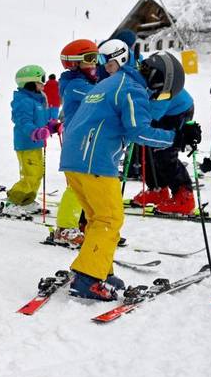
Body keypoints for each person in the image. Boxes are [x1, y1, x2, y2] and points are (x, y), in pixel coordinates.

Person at [58, 42, 176, 301]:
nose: (156, 96)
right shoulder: (131, 88)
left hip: (74, 158)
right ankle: (88, 279)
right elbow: (139, 131)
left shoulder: (109, 83)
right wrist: (174, 138)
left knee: (96, 218)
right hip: (95, 160)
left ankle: (100, 268)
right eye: (162, 93)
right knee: (109, 219)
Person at [50, 40, 99, 244]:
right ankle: (65, 228)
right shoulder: (76, 86)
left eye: (97, 58)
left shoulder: (88, 81)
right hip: (79, 141)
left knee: (91, 185)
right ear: (74, 63)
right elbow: (102, 97)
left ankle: (84, 223)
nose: (94, 63)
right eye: (90, 58)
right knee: (78, 186)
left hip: (90, 140)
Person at [132, 75, 198, 214]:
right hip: (161, 109)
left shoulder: (152, 80)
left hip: (177, 110)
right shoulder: (128, 76)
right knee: (146, 147)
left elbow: (153, 113)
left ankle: (185, 197)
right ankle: (157, 189)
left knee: (164, 153)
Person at [2, 65, 58, 215]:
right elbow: (23, 121)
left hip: (37, 144)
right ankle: (12, 201)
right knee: (30, 175)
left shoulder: (38, 100)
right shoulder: (24, 101)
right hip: (26, 144)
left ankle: (26, 201)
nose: (43, 85)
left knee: (38, 174)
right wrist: (35, 132)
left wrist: (52, 126)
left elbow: (43, 121)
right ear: (29, 83)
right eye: (40, 82)